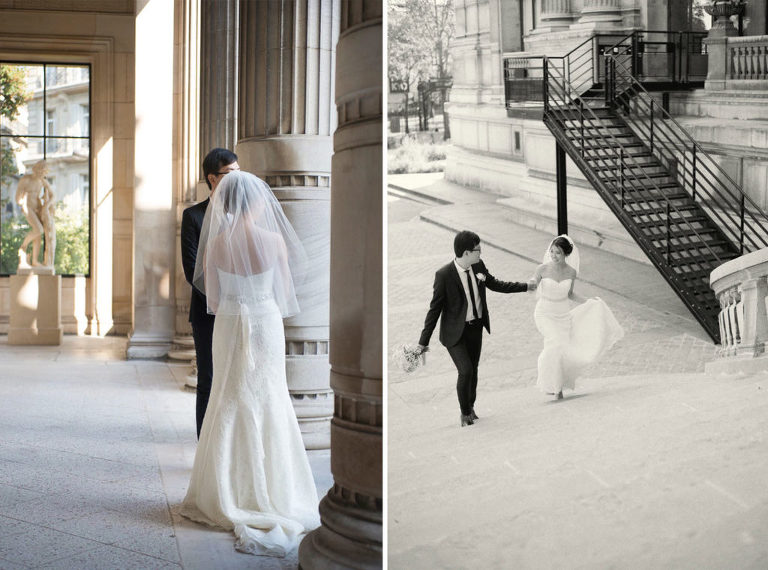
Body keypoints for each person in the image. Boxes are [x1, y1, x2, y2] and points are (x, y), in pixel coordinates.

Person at [179, 171, 319, 556]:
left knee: (229, 392)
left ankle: (225, 489)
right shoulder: (273, 241)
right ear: (258, 203)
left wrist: (237, 305)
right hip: (265, 321)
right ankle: (274, 489)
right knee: (270, 395)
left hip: (229, 323)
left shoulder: (217, 245)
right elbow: (285, 293)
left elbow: (215, 298)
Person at [417, 230, 536, 427]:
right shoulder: (444, 275)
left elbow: (496, 284)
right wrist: (423, 343)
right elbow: (434, 310)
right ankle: (464, 413)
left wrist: (525, 286)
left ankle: (471, 407)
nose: (480, 253)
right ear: (466, 253)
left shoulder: (478, 266)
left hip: (475, 328)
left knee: (474, 370)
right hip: (454, 332)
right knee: (465, 371)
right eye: (477, 250)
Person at [181, 148, 239, 438]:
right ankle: (204, 443)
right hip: (206, 313)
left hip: (240, 312)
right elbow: (191, 269)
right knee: (208, 379)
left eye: (238, 173)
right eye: (230, 174)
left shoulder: (244, 215)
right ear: (212, 178)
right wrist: (218, 301)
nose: (236, 180)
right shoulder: (192, 216)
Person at [530, 235, 624, 399]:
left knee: (560, 349)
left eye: (558, 253)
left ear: (565, 254)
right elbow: (533, 283)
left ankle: (557, 388)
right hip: (544, 313)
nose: (553, 255)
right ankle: (547, 381)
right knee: (555, 343)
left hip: (563, 315)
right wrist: (530, 283)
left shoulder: (571, 272)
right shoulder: (542, 269)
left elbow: (570, 294)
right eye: (552, 252)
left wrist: (589, 302)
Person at [16, 160, 55, 269]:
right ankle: (23, 247)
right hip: (28, 208)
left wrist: (47, 206)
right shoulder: (25, 180)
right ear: (36, 169)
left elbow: (53, 195)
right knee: (39, 230)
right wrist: (22, 203)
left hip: (38, 208)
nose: (43, 174)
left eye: (44, 173)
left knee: (38, 235)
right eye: (42, 172)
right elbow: (17, 198)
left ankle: (34, 261)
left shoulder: (42, 181)